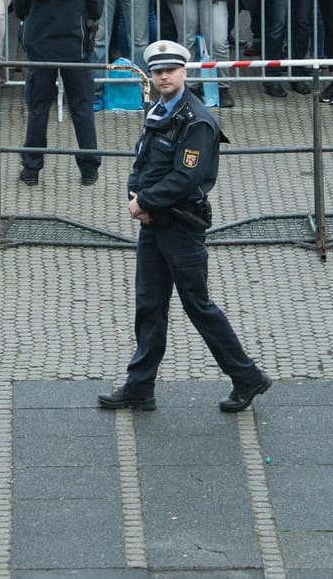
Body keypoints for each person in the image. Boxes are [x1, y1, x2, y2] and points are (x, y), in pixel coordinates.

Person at [98, 40, 270, 414]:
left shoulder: (197, 122)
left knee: (198, 306)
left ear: (183, 73)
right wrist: (137, 192)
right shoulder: (158, 110)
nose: (162, 76)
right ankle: (140, 387)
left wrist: (144, 201)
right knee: (149, 306)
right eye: (158, 71)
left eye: (169, 71)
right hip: (154, 226)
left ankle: (247, 376)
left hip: (181, 228)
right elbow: (142, 159)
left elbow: (186, 179)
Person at [13, 0, 102, 187]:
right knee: (82, 109)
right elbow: (97, 8)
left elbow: (20, 7)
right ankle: (89, 171)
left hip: (39, 50)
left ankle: (31, 170)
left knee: (38, 109)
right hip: (76, 49)